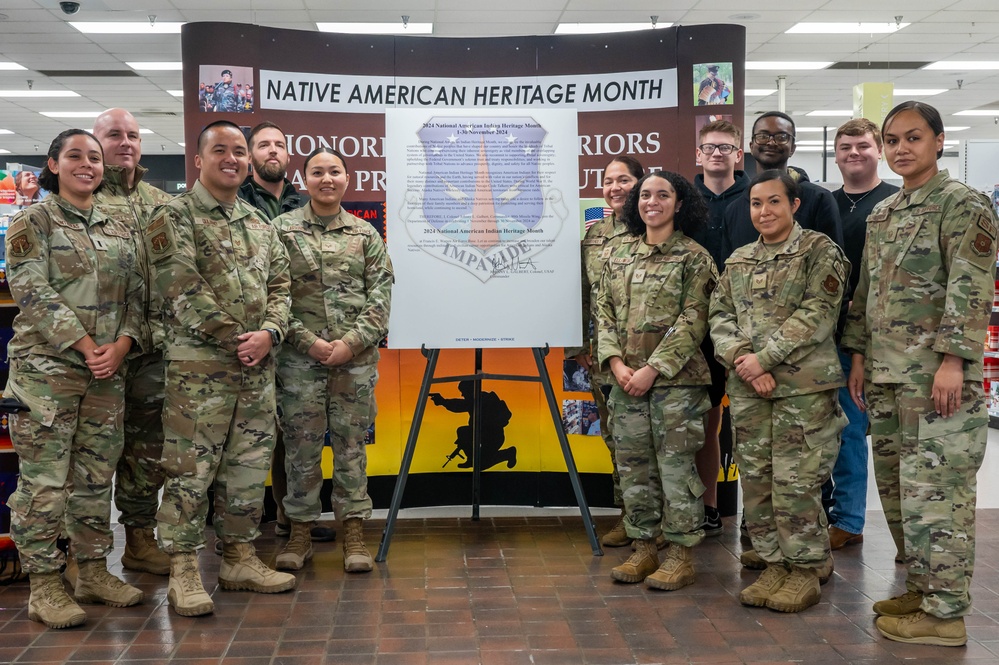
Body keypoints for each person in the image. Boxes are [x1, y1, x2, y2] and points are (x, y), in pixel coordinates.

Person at [842, 101, 999, 646]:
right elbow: (865, 293)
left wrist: (955, 360)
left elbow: (970, 285)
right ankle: (922, 587)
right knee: (901, 493)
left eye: (912, 137)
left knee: (939, 494)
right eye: (892, 140)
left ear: (938, 141)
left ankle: (946, 613)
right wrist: (858, 355)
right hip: (887, 377)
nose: (901, 148)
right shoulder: (884, 214)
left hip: (938, 380)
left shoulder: (963, 205)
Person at [146, 120, 295, 617]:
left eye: (239, 152)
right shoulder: (173, 215)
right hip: (199, 370)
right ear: (199, 159)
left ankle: (238, 557)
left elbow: (281, 289)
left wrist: (269, 334)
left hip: (256, 369)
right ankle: (183, 568)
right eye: (221, 151)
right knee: (191, 469)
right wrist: (239, 339)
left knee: (247, 469)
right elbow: (180, 286)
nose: (232, 159)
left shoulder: (259, 224)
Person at [4, 129, 145, 628]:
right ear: (54, 163)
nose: (87, 165)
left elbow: (138, 296)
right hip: (48, 374)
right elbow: (31, 290)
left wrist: (123, 344)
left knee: (93, 479)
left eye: (95, 158)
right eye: (75, 156)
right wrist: (86, 346)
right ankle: (44, 584)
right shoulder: (33, 221)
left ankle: (91, 571)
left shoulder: (120, 226)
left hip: (108, 373)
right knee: (44, 485)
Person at [710, 170, 849, 613]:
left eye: (773, 202)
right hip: (750, 389)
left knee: (797, 481)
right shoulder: (738, 260)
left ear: (794, 205)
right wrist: (743, 363)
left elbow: (818, 313)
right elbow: (719, 317)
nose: (763, 211)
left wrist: (763, 360)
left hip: (802, 390)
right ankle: (775, 562)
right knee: (757, 480)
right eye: (755, 203)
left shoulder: (819, 252)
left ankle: (805, 568)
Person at [271, 147, 393, 573]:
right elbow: (272, 296)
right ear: (303, 180)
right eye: (318, 172)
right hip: (297, 361)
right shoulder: (281, 231)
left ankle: (354, 532)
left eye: (335, 171)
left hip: (354, 363)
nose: (327, 178)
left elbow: (381, 297)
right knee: (300, 448)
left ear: (346, 179)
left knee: (351, 446)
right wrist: (308, 342)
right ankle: (299, 532)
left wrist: (350, 343)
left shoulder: (366, 235)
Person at [595, 170, 717, 590]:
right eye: (645, 195)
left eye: (662, 195)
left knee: (675, 469)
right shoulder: (617, 254)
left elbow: (694, 319)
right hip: (624, 381)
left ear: (679, 203)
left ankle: (681, 554)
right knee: (634, 469)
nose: (652, 202)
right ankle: (644, 547)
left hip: (676, 384)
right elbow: (603, 312)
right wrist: (615, 363)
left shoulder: (694, 257)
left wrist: (652, 369)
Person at [89, 108, 175, 578]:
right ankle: (83, 556)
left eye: (133, 136)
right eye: (114, 135)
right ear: (95, 141)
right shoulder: (79, 198)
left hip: (153, 352)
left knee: (147, 451)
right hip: (97, 353)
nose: (126, 143)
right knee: (95, 454)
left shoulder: (160, 202)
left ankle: (140, 539)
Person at [235, 121, 318, 544]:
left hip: (294, 335)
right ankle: (234, 530)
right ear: (250, 156)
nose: (273, 151)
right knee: (243, 437)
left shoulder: (303, 204)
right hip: (248, 337)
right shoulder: (236, 201)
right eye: (263, 145)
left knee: (293, 433)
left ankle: (291, 518)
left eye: (280, 145)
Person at [823, 119, 899, 551]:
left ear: (878, 151)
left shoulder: (894, 201)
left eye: (863, 146)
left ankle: (849, 520)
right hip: (818, 333)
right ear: (835, 153)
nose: (854, 153)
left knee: (851, 429)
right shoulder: (823, 202)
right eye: (846, 146)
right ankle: (822, 512)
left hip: (864, 338)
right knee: (818, 431)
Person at [566, 156, 645, 548]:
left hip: (650, 357)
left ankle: (661, 521)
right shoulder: (595, 235)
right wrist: (579, 346)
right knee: (615, 437)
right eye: (609, 181)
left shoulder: (657, 229)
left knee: (653, 441)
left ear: (641, 184)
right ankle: (629, 514)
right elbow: (581, 293)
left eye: (625, 180)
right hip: (604, 356)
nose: (616, 188)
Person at [689, 119, 750, 536]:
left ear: (738, 154)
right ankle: (709, 507)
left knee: (751, 426)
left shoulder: (759, 198)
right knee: (706, 426)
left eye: (725, 147)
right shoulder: (681, 200)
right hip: (696, 331)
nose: (716, 153)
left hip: (750, 329)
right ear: (698, 154)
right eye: (709, 147)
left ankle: (756, 516)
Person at [720, 111, 844, 262]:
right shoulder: (735, 209)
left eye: (781, 137)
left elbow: (835, 263)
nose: (771, 142)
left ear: (792, 148)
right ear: (751, 146)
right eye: (763, 136)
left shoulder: (818, 199)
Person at [430, 380, 516, 470]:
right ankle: (472, 459)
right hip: (483, 435)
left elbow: (460, 405)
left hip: (492, 438)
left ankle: (507, 453)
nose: (462, 395)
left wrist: (443, 401)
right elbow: (462, 404)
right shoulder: (480, 398)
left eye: (463, 392)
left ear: (470, 390)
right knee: (463, 432)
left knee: (480, 464)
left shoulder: (481, 400)